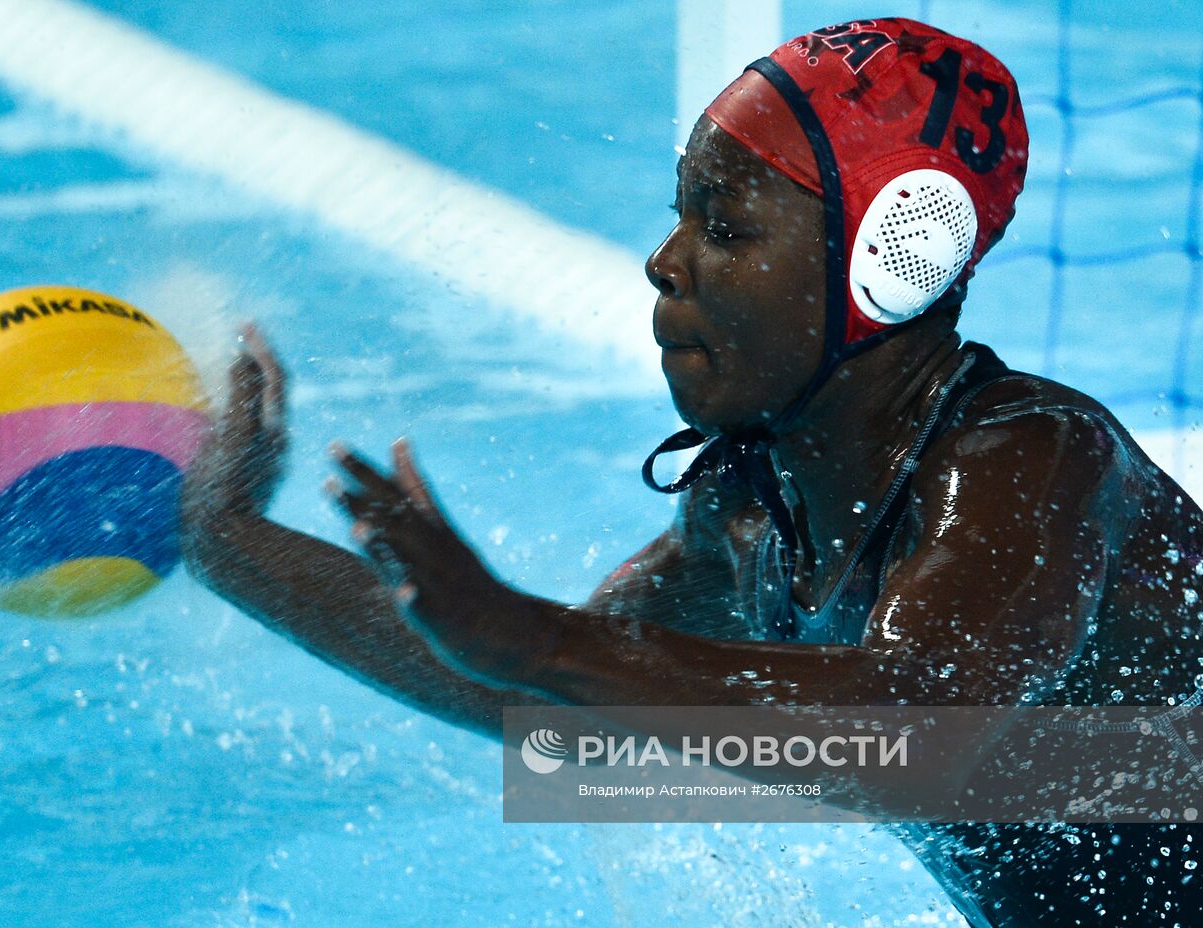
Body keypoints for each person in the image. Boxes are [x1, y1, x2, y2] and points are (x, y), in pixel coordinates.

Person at [180, 18, 1203, 927]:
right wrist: (221, 538)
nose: (665, 261)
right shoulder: (752, 513)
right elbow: (557, 706)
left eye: (723, 227)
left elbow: (920, 733)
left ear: (889, 259)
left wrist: (533, 637)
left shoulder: (1028, 460)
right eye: (681, 217)